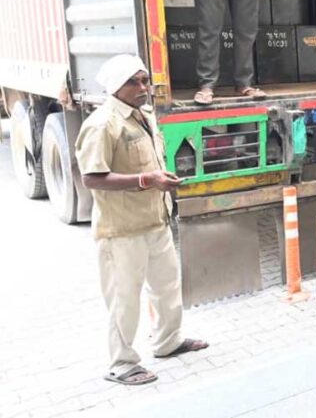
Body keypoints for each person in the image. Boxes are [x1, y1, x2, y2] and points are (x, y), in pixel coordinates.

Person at [74, 55, 208, 386]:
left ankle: (168, 341)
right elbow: (92, 178)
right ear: (116, 87)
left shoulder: (144, 116)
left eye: (145, 80)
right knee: (124, 297)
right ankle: (121, 363)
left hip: (155, 219)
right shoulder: (102, 124)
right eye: (135, 82)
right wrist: (147, 181)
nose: (144, 88)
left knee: (167, 286)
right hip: (122, 229)